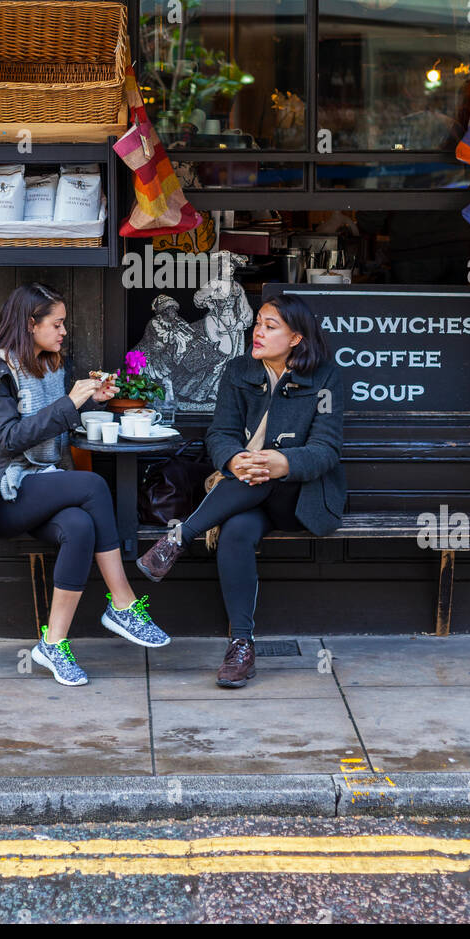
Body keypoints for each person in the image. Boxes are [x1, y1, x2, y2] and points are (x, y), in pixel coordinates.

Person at [0, 282, 170, 686]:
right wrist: (70, 404)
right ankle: (124, 602)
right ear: (30, 323)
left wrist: (90, 401)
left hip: (39, 482)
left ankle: (54, 644)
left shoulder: (49, 364)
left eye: (64, 324)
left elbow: (52, 433)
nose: (63, 332)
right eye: (56, 324)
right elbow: (9, 439)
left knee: (79, 525)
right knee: (92, 487)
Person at [136, 294, 346, 687]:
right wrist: (233, 460)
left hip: (297, 496)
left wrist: (281, 463)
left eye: (271, 326)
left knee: (260, 474)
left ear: (296, 338)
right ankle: (241, 647)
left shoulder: (324, 378)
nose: (258, 331)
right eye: (259, 323)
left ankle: (179, 537)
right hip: (243, 489)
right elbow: (221, 434)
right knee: (235, 533)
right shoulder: (238, 370)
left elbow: (326, 450)